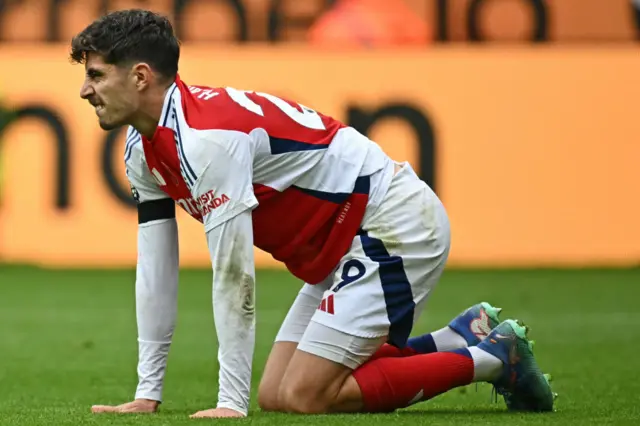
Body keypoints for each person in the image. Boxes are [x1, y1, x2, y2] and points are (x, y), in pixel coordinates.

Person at [70, 9, 555, 418]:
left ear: (139, 76)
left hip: (391, 224)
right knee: (277, 394)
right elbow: (156, 270)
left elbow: (234, 273)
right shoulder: (141, 146)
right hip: (342, 245)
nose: (84, 91)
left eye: (95, 75)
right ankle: (458, 338)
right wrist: (147, 394)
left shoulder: (207, 140)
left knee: (306, 394)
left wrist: (229, 404)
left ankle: (494, 359)